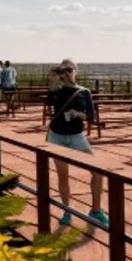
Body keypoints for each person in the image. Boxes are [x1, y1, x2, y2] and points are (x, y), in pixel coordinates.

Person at [46, 59, 109, 227]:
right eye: (63, 70)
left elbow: (91, 117)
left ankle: (96, 210)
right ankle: (67, 210)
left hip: (77, 136)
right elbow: (49, 102)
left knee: (98, 172)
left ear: (76, 71)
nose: (66, 73)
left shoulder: (84, 92)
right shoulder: (58, 90)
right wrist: (52, 81)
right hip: (57, 136)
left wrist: (77, 114)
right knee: (63, 175)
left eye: (69, 69)